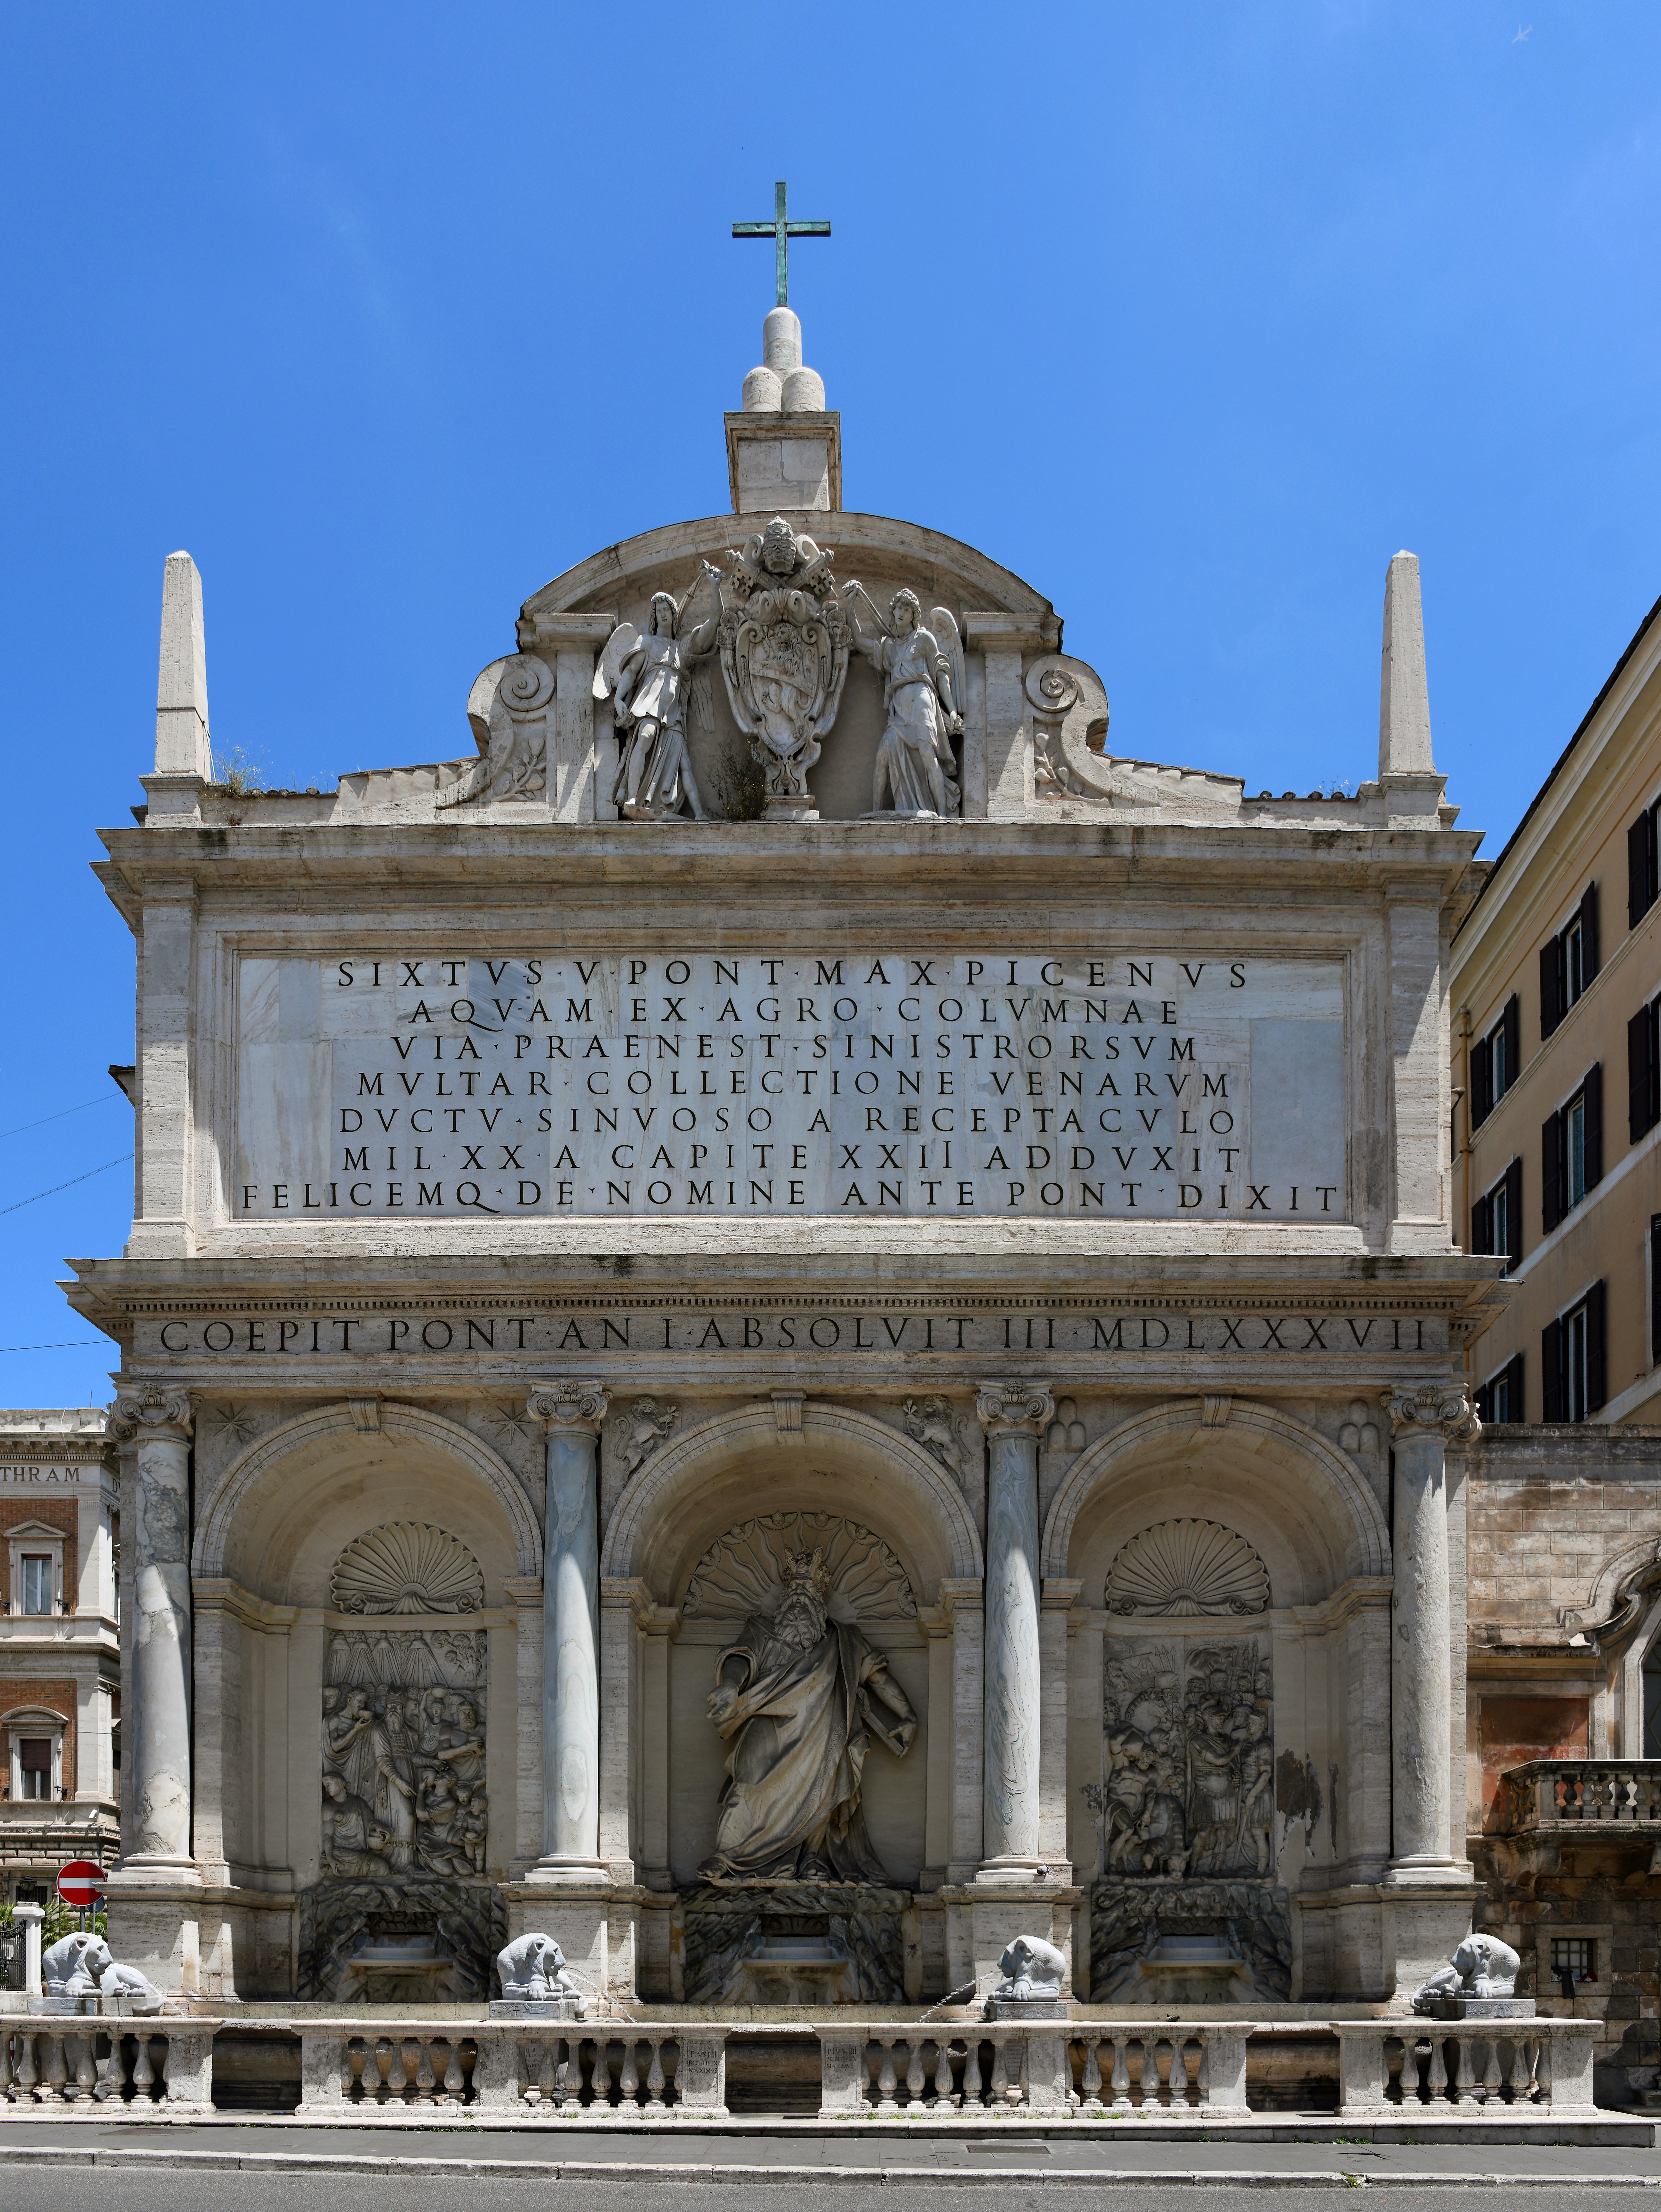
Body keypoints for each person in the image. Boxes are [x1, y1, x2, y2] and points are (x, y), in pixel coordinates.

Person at [698, 1548, 917, 1883]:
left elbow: (878, 1677)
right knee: (748, 1783)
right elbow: (740, 1658)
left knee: (825, 1780)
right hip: (766, 1725)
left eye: (808, 1594)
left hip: (822, 1733)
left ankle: (812, 1857)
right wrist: (730, 1684)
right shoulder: (762, 1631)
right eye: (794, 1594)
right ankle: (730, 1855)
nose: (800, 1601)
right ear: (784, 1599)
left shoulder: (844, 1641)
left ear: (820, 1602)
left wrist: (906, 1714)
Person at [845, 586, 962, 817]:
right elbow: (859, 641)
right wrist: (849, 607)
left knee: (929, 756)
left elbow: (941, 674)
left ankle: (940, 814)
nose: (901, 612)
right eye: (898, 607)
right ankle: (876, 813)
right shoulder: (889, 647)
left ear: (914, 615)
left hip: (921, 701)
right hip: (899, 711)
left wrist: (953, 710)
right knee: (883, 756)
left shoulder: (924, 638)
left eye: (906, 609)